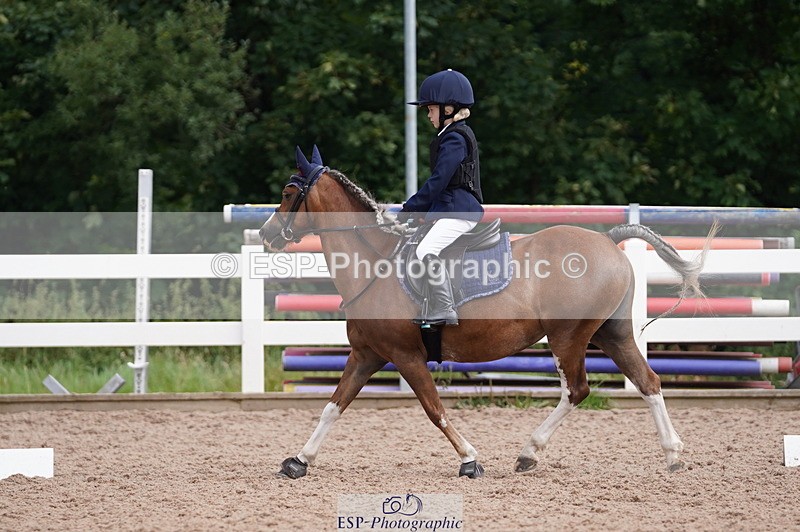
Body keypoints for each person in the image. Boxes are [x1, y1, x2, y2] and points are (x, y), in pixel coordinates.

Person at [398, 69, 484, 326]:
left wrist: (410, 209)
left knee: (426, 249)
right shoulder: (450, 135)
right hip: (451, 209)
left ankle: (445, 308)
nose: (428, 114)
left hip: (460, 211)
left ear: (449, 108)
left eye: (431, 109)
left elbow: (438, 182)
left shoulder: (455, 138)